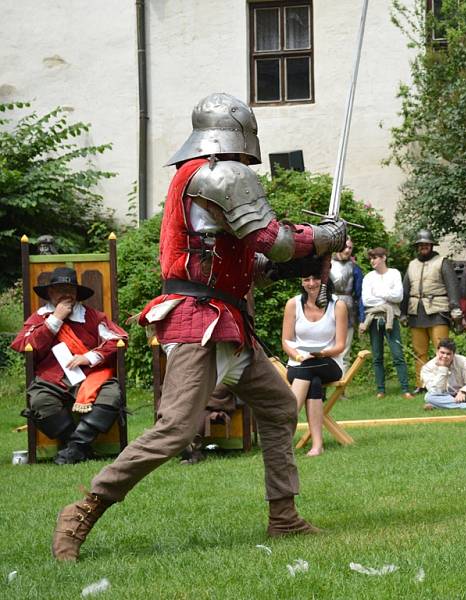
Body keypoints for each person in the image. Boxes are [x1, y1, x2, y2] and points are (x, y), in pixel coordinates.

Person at [51, 93, 347, 561]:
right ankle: (83, 510)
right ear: (239, 135)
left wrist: (300, 260)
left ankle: (284, 517)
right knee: (175, 430)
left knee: (275, 407)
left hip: (227, 321)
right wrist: (326, 235)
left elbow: (250, 261)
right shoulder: (219, 173)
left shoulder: (197, 179)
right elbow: (276, 239)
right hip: (199, 321)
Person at [11, 267, 128, 465]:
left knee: (112, 395)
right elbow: (24, 345)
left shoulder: (92, 316)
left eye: (70, 290)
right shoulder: (39, 318)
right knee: (40, 402)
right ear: (50, 293)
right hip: (51, 379)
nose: (66, 294)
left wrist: (89, 357)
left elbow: (119, 339)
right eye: (60, 289)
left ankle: (74, 448)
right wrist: (55, 319)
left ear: (77, 294)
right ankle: (78, 446)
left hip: (89, 376)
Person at [282, 273, 347, 457]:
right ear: (301, 283)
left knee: (308, 371)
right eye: (306, 280)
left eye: (315, 278)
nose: (311, 283)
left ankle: (284, 435)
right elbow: (286, 341)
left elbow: (340, 345)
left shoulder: (338, 305)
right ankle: (317, 445)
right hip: (299, 361)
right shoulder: (293, 304)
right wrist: (297, 356)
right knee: (312, 379)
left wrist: (322, 353)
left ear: (324, 280)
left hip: (329, 361)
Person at [402, 229, 463, 394]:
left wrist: (455, 307)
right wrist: (403, 312)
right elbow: (406, 290)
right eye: (421, 244)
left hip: (438, 310)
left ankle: (447, 384)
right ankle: (421, 384)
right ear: (417, 246)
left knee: (442, 350)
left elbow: (453, 287)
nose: (423, 247)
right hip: (416, 312)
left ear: (431, 245)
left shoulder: (442, 262)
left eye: (426, 244)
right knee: (419, 351)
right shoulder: (412, 265)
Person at [359, 247, 413, 399]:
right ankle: (380, 390)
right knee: (377, 356)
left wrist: (380, 294)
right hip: (374, 318)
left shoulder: (394, 273)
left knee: (398, 354)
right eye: (371, 258)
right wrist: (387, 297)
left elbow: (399, 296)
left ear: (383, 258)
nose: (372, 261)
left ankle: (405, 389)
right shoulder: (368, 277)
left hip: (392, 318)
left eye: (375, 258)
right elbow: (367, 299)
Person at [329, 236, 364, 370]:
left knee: (344, 352)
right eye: (345, 247)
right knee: (327, 349)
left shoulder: (355, 268)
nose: (348, 250)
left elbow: (360, 295)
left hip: (349, 310)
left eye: (350, 248)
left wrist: (362, 318)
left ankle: (342, 389)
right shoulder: (328, 265)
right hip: (329, 308)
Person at [421, 338, 466, 410]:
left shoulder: (465, 363)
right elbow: (435, 390)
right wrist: (443, 368)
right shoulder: (427, 368)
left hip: (462, 394)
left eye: (448, 354)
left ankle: (438, 405)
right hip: (442, 395)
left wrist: (463, 391)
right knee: (429, 397)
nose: (444, 356)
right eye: (442, 353)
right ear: (437, 352)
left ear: (454, 354)